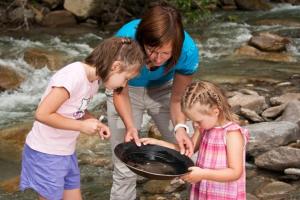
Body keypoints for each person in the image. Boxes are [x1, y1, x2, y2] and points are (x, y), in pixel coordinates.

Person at [19, 37, 144, 200]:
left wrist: (94, 122)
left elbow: (77, 109)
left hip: (65, 152)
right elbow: (42, 114)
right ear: (115, 66)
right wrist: (81, 127)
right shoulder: (73, 76)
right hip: (46, 153)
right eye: (126, 78)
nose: (124, 84)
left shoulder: (93, 81)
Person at [107, 2, 199, 200]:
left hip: (164, 90)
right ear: (142, 39)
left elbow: (177, 98)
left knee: (192, 155)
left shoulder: (188, 51)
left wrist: (180, 127)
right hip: (126, 88)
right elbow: (119, 90)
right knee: (124, 163)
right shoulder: (125, 41)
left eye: (165, 53)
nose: (157, 59)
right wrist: (131, 126)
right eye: (151, 50)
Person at [141, 80, 249, 200]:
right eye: (192, 120)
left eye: (198, 120)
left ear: (215, 112)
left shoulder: (232, 134)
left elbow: (235, 172)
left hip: (223, 193)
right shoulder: (203, 128)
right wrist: (158, 144)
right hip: (203, 190)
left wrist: (203, 174)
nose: (195, 125)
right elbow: (187, 150)